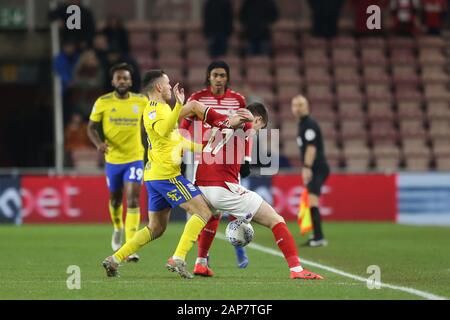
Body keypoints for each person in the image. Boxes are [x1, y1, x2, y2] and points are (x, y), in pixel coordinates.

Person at [101, 70, 252, 278]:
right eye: (168, 83)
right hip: (167, 176)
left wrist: (207, 147)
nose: (172, 87)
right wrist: (180, 105)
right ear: (158, 87)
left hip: (155, 176)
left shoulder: (161, 108)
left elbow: (177, 140)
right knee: (204, 211)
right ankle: (178, 258)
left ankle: (114, 259)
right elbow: (164, 129)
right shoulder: (155, 109)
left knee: (156, 228)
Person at [182, 102, 324, 280]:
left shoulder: (223, 120)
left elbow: (199, 110)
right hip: (222, 187)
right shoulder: (247, 121)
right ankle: (296, 269)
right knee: (276, 220)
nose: (256, 133)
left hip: (201, 184)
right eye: (260, 128)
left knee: (214, 213)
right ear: (258, 119)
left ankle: (201, 263)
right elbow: (243, 122)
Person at [180, 60, 252, 269]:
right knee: (203, 207)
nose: (219, 79)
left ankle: (235, 246)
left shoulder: (238, 99)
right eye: (215, 75)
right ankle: (202, 255)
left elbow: (245, 130)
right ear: (208, 77)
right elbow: (183, 127)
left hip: (229, 159)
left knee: (228, 204)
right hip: (203, 158)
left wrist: (246, 159)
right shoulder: (197, 99)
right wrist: (182, 157)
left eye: (222, 75)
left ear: (227, 77)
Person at [87, 63, 148, 262]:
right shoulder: (102, 102)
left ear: (131, 82)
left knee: (132, 199)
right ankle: (117, 227)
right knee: (115, 199)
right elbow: (91, 128)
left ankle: (130, 245)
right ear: (113, 81)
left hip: (135, 157)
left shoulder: (141, 101)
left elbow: (152, 121)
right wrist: (98, 144)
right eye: (118, 78)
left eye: (126, 78)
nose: (122, 81)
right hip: (113, 159)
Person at [291, 95, 330, 247]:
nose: (297, 108)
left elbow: (311, 148)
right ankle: (317, 235)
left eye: (300, 105)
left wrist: (307, 167)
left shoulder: (309, 125)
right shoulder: (303, 124)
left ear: (307, 106)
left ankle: (319, 237)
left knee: (312, 200)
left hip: (317, 167)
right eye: (295, 105)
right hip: (315, 167)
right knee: (311, 200)